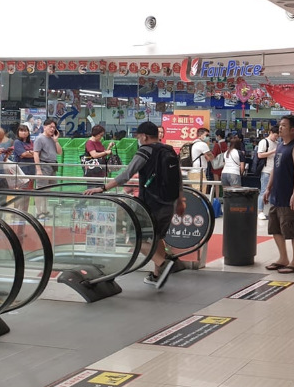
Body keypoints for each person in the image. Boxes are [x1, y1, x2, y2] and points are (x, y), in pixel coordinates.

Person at [85, 122, 186, 288]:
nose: (138, 139)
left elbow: (126, 175)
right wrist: (181, 199)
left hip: (151, 203)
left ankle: (163, 264)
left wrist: (102, 188)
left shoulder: (145, 151)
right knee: (157, 236)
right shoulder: (168, 150)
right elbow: (178, 176)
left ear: (144, 136)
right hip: (170, 201)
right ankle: (156, 275)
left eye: (138, 136)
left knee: (134, 238)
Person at [262, 115, 294, 275]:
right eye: (280, 125)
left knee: (293, 230)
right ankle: (283, 258)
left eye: (284, 126)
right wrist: (268, 188)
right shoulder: (280, 146)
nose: (280, 128)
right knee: (275, 228)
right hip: (277, 195)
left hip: (291, 197)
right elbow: (275, 167)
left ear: (293, 130)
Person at [32, 119, 62, 218]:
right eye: (50, 127)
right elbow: (36, 153)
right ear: (44, 127)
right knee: (40, 189)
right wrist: (38, 169)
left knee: (47, 189)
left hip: (52, 166)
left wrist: (56, 141)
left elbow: (59, 152)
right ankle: (39, 211)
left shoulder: (52, 139)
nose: (52, 129)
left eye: (54, 127)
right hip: (43, 165)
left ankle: (45, 210)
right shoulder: (40, 139)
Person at [256, 124, 279, 219]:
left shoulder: (277, 143)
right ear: (271, 133)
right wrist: (273, 151)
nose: (276, 137)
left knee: (273, 192)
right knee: (264, 191)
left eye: (278, 136)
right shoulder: (264, 142)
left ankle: (271, 211)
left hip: (274, 171)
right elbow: (260, 155)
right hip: (266, 170)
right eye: (275, 135)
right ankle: (260, 211)